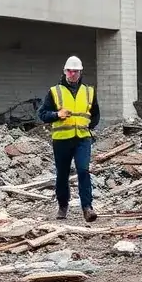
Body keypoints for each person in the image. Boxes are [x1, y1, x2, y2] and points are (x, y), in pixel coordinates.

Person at [37, 55, 101, 222]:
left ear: (80, 72)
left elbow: (95, 114)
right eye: (70, 71)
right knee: (62, 175)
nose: (73, 74)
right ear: (65, 72)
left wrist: (89, 126)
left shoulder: (89, 92)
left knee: (83, 171)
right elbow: (42, 114)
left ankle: (87, 208)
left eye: (76, 71)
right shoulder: (55, 92)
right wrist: (57, 114)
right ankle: (63, 206)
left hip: (82, 139)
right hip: (62, 139)